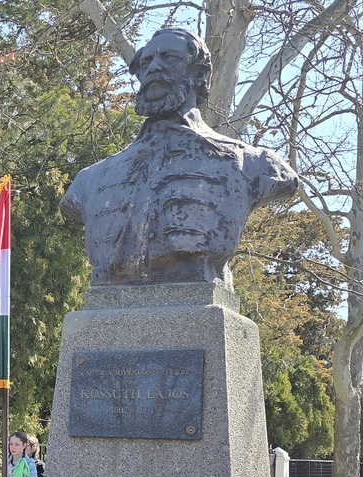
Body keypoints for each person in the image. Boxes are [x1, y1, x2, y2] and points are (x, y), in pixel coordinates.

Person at [60, 28, 298, 286]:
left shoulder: (253, 164)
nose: (154, 68)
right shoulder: (90, 180)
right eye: (146, 61)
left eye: (169, 58)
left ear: (199, 74)